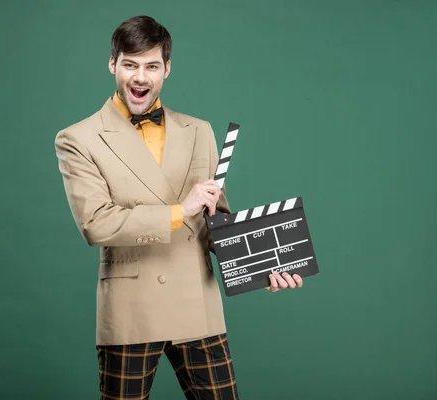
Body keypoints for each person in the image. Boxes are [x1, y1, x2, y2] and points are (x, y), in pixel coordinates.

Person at [54, 15, 303, 400]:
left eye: (151, 66)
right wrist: (179, 210)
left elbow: (214, 220)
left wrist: (262, 263)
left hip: (197, 307)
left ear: (166, 69)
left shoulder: (199, 130)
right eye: (130, 65)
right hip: (130, 312)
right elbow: (96, 224)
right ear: (112, 65)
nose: (140, 77)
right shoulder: (78, 139)